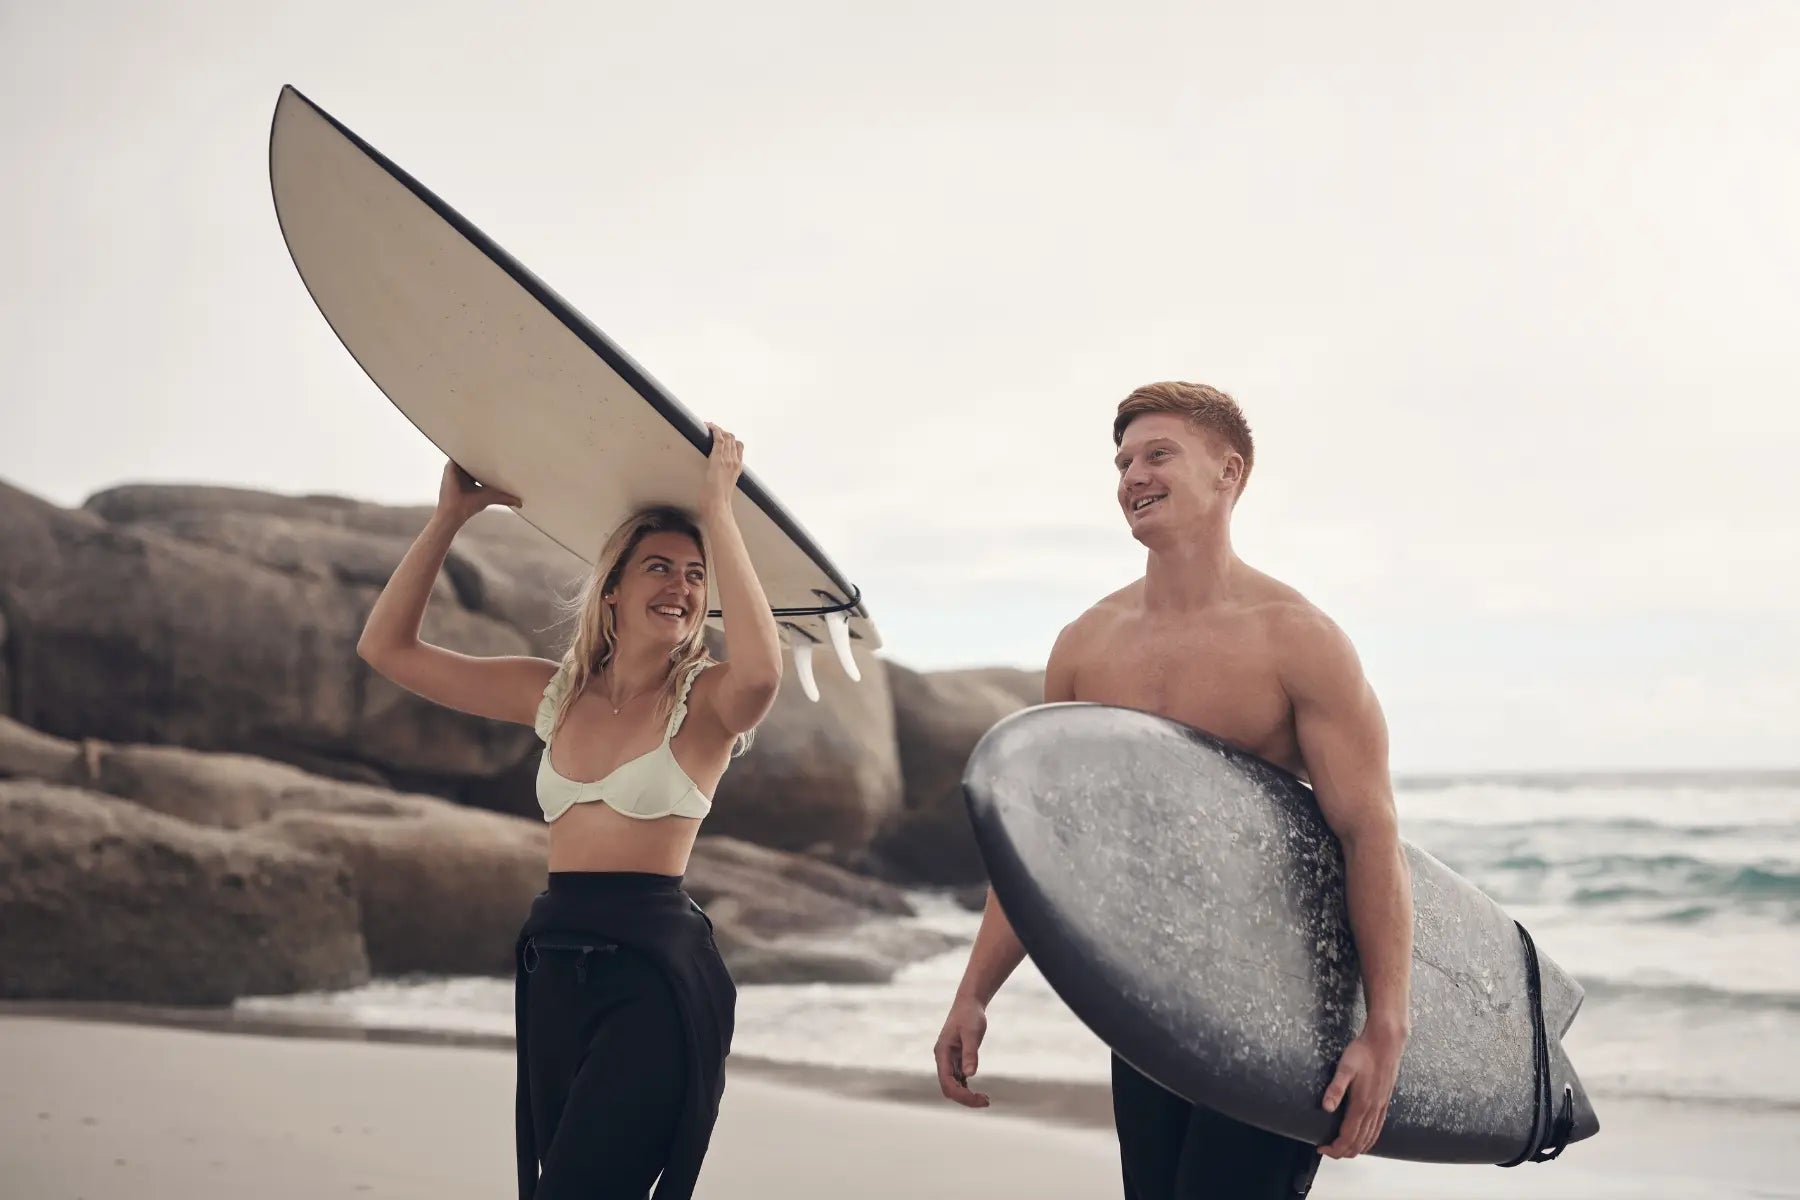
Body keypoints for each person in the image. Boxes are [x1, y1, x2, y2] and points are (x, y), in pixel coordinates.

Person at [933, 383, 1413, 1199]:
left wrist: (1386, 1028)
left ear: (1230, 473)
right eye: (1123, 462)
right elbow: (1047, 843)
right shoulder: (1086, 647)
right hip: (1149, 998)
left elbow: (1369, 835)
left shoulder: (1298, 640)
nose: (1133, 476)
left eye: (1158, 454)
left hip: (1281, 1002)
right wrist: (973, 993)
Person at [357, 425, 782, 1200]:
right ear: (612, 588)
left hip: (654, 979)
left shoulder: (706, 703)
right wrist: (448, 518)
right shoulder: (553, 694)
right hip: (555, 969)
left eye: (696, 576)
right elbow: (389, 649)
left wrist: (719, 509)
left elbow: (762, 676)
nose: (681, 587)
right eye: (659, 567)